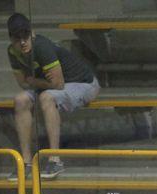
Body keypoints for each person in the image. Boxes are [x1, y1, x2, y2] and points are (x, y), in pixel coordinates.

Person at [7, 12, 101, 180]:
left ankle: (55, 159)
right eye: (16, 38)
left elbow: (58, 84)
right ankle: (26, 162)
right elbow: (22, 84)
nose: (22, 42)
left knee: (47, 97)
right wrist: (40, 82)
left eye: (25, 36)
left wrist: (34, 80)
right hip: (52, 84)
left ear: (32, 33)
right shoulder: (13, 52)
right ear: (10, 39)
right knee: (20, 100)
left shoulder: (41, 46)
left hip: (84, 83)